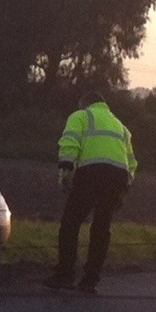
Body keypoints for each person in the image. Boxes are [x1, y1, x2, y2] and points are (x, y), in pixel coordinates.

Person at [44, 91, 137, 294]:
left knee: (70, 223)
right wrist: (125, 187)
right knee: (101, 227)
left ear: (84, 104)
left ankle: (65, 275)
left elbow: (70, 144)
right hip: (117, 177)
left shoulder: (81, 116)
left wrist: (65, 175)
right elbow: (132, 162)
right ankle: (90, 280)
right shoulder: (121, 126)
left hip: (91, 173)